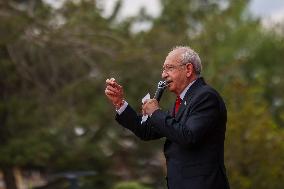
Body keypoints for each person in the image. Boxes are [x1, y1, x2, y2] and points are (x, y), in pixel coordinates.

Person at [105, 46, 230, 189]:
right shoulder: (182, 102)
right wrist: (119, 103)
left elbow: (188, 136)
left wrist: (156, 112)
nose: (164, 75)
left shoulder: (206, 97)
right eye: (163, 69)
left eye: (169, 68)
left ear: (188, 69)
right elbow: (146, 131)